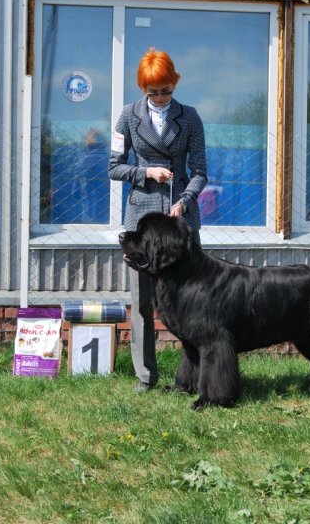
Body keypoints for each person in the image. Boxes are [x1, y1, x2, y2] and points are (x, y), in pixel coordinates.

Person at [108, 47, 207, 391]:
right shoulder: (126, 117)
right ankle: (145, 376)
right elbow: (113, 167)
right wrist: (146, 171)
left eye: (167, 90)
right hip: (142, 218)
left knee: (194, 297)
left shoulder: (190, 117)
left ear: (174, 84)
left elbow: (201, 171)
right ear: (142, 89)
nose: (162, 98)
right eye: (154, 92)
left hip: (182, 220)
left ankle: (192, 376)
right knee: (142, 300)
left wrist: (184, 200)